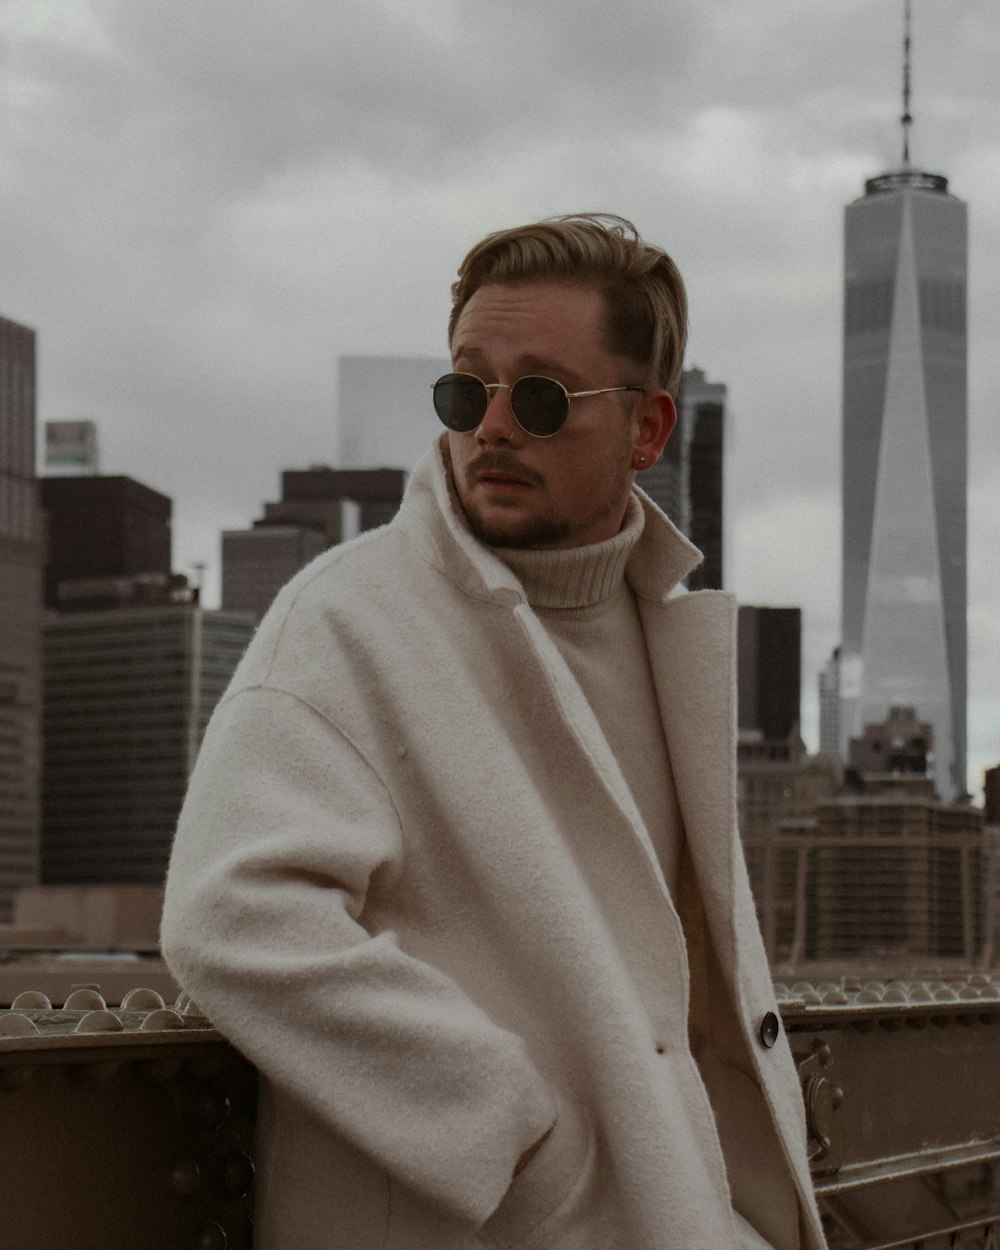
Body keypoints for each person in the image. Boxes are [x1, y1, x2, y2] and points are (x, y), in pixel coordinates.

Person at [162, 213, 827, 1250]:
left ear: (648, 431)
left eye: (544, 397)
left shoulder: (670, 639)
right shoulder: (346, 619)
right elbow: (233, 914)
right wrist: (514, 1138)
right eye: (466, 389)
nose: (495, 426)